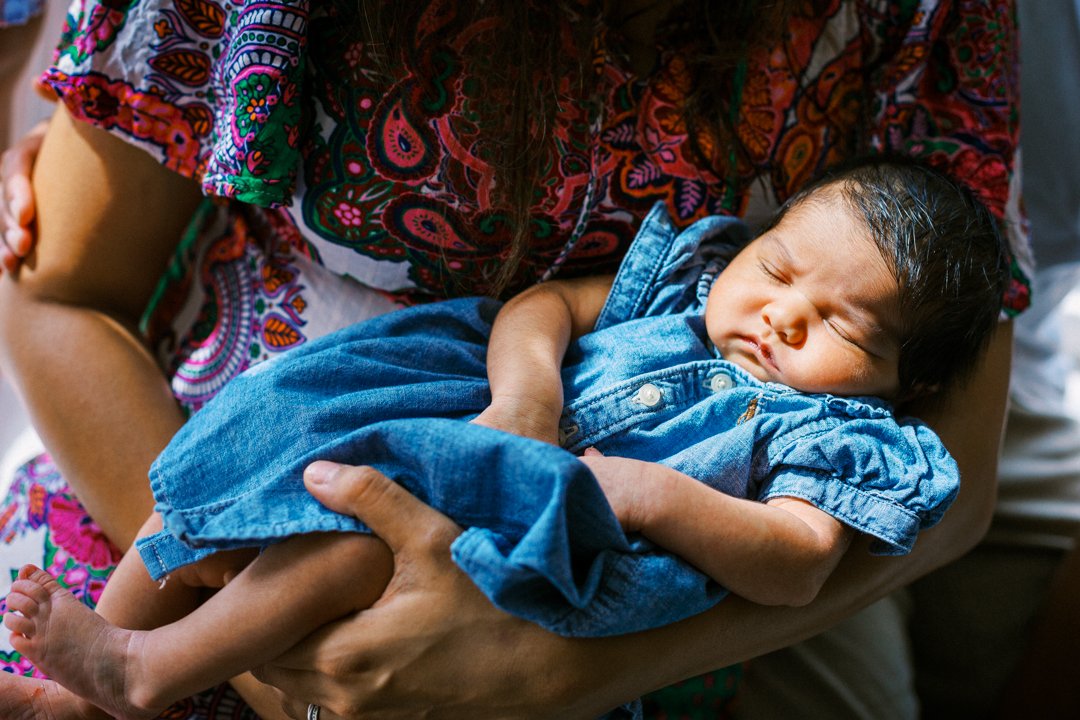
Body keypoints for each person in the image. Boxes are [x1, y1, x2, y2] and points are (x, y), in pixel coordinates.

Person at [0, 2, 1026, 718]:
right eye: (781, 270)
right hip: (282, 424)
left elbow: (895, 508)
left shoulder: (839, 429)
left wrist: (543, 676)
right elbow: (64, 294)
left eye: (846, 327)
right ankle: (129, 670)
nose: (789, 318)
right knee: (232, 493)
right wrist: (270, 647)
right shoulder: (688, 281)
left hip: (593, 589)